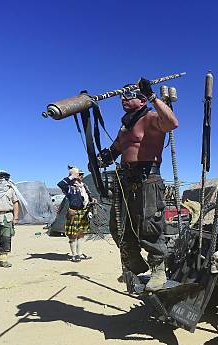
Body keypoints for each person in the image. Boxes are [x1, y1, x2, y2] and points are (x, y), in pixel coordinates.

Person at [98, 78, 179, 292]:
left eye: (130, 95)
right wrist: (101, 159)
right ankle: (135, 265)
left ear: (142, 100)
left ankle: (159, 270)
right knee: (119, 226)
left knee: (149, 226)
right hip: (126, 180)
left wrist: (153, 96)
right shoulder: (125, 127)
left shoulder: (151, 117)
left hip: (148, 179)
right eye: (122, 96)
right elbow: (115, 149)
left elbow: (172, 123)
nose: (123, 98)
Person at [57, 166, 96, 262]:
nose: (82, 176)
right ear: (74, 176)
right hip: (74, 212)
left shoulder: (83, 186)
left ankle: (80, 254)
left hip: (84, 212)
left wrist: (92, 200)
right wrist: (71, 177)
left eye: (82, 174)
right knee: (73, 235)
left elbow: (86, 197)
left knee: (81, 234)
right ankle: (74, 255)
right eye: (80, 174)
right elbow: (60, 184)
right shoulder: (69, 187)